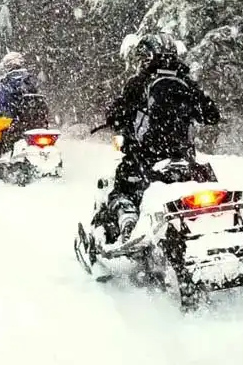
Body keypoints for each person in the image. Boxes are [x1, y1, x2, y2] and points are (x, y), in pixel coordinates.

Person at [92, 33, 220, 245]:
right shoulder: (186, 83)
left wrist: (115, 118)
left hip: (145, 158)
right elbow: (211, 115)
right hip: (182, 158)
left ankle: (128, 222)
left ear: (147, 56)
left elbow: (117, 114)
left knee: (121, 187)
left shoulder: (139, 83)